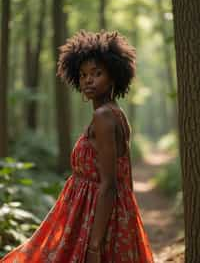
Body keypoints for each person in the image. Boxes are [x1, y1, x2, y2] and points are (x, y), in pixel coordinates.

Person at [0, 30, 154, 263]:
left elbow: (110, 183)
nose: (88, 80)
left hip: (95, 217)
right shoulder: (115, 113)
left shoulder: (104, 117)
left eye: (97, 73)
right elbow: (123, 181)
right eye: (82, 75)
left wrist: (94, 245)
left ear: (113, 76)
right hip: (97, 214)